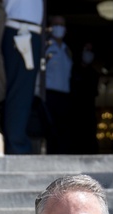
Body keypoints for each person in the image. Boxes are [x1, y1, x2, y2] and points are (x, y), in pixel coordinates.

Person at [1, 0, 43, 154]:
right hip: (20, 30)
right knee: (20, 92)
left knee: (24, 93)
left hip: (27, 31)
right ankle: (16, 144)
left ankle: (17, 142)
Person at [43, 16, 72, 154]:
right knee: (50, 128)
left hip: (64, 94)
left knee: (64, 129)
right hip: (50, 93)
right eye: (56, 24)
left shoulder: (67, 50)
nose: (59, 27)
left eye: (62, 24)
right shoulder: (47, 47)